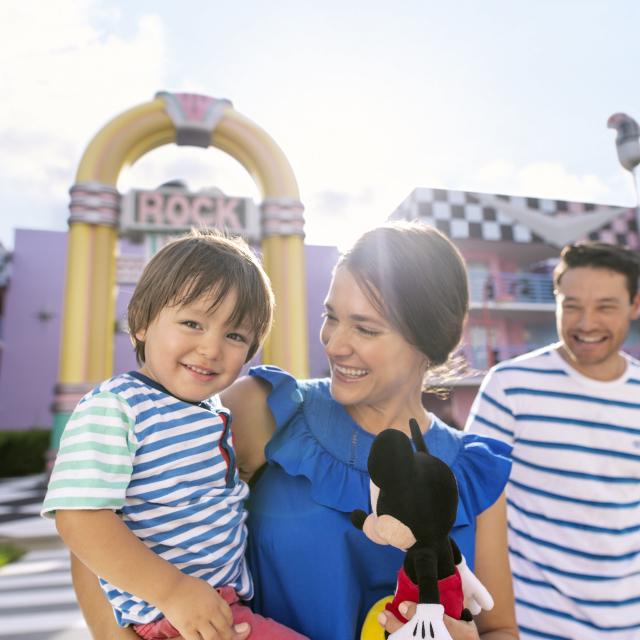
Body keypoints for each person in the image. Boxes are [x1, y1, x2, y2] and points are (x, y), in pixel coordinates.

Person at [71, 221, 518, 640]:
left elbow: (499, 629)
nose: (334, 343)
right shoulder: (262, 409)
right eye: (331, 316)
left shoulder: (475, 472)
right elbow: (102, 525)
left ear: (432, 339)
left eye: (364, 328)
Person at [42, 230, 307, 640]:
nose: (211, 348)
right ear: (143, 322)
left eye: (235, 335)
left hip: (216, 609)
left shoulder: (210, 410)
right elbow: (78, 518)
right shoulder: (117, 405)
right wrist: (172, 591)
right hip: (172, 616)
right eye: (192, 323)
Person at [465, 241, 640, 640]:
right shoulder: (510, 386)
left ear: (635, 305)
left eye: (606, 307)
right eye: (572, 304)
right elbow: (470, 502)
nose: (587, 322)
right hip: (532, 628)